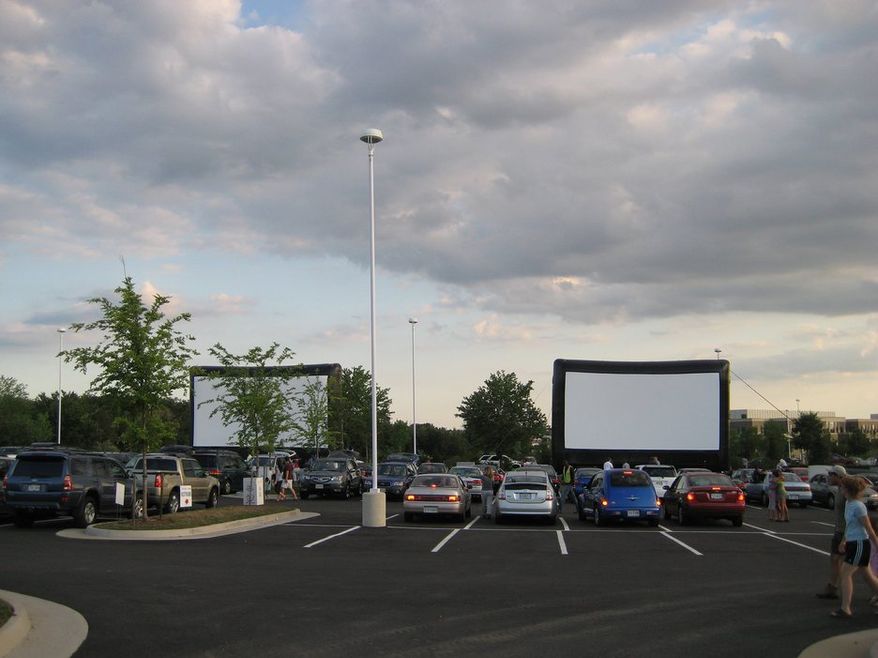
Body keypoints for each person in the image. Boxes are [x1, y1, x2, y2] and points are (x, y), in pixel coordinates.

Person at [830, 475, 878, 618]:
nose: (841, 488)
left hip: (860, 544)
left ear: (848, 489)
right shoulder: (848, 504)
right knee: (868, 576)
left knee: (845, 574)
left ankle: (845, 609)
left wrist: (876, 544)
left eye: (843, 487)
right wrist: (844, 540)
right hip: (852, 543)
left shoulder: (858, 506)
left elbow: (869, 529)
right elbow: (849, 526)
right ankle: (846, 608)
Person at [818, 465, 848, 600]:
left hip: (844, 533)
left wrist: (845, 537)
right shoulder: (839, 490)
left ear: (838, 476)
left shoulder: (847, 491)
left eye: (831, 474)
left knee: (858, 567)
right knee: (835, 560)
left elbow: (852, 516)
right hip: (838, 530)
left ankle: (838, 590)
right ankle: (832, 588)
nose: (829, 477)